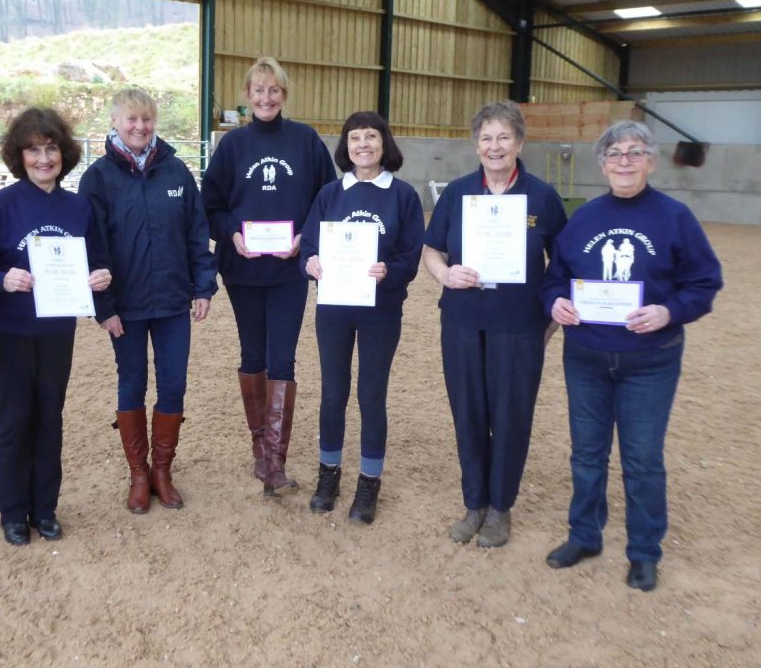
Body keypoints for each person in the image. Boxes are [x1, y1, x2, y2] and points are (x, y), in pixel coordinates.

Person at [541, 121, 722, 592]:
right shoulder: (582, 218)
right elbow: (556, 277)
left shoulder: (675, 217)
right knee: (587, 454)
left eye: (634, 152)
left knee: (642, 459)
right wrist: (554, 302)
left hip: (650, 359)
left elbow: (704, 283)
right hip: (586, 356)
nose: (624, 161)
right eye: (614, 154)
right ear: (601, 164)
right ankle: (585, 535)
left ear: (651, 160)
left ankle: (644, 550)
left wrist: (669, 311)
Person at [421, 101, 567, 548]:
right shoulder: (458, 193)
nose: (495, 146)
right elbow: (431, 250)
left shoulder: (542, 197)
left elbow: (561, 265)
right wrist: (446, 275)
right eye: (486, 138)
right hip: (463, 321)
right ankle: (474, 504)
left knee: (510, 416)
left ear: (520, 142)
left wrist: (547, 323)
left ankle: (501, 508)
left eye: (504, 137)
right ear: (476, 145)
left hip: (519, 327)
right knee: (468, 413)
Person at [0, 108, 112, 546]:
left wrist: (99, 278)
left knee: (50, 418)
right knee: (14, 421)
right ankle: (13, 512)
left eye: (51, 148)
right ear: (20, 155)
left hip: (55, 332)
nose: (43, 158)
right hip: (8, 333)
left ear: (63, 153)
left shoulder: (78, 208)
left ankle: (45, 507)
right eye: (33, 150)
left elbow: (98, 261)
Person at [201, 57, 336, 496]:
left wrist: (306, 239)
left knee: (284, 356)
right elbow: (211, 207)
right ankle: (260, 449)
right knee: (252, 353)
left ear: (284, 94)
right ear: (246, 96)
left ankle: (276, 461)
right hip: (243, 269)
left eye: (273, 90)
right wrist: (232, 234)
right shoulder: (232, 146)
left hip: (288, 272)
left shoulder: (306, 142)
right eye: (258, 90)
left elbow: (327, 201)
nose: (266, 97)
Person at [78, 89, 217, 513]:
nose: (140, 127)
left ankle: (162, 469)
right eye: (131, 120)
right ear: (115, 122)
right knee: (132, 381)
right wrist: (105, 307)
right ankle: (138, 473)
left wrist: (203, 285)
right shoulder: (98, 178)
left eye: (147, 120)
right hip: (127, 307)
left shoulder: (176, 172)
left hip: (174, 300)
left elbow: (197, 232)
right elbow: (91, 245)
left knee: (174, 383)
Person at [300, 112, 424, 523]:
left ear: (384, 143)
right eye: (355, 138)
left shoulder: (402, 196)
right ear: (346, 147)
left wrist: (391, 272)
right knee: (333, 392)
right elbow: (310, 247)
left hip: (381, 311)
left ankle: (369, 482)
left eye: (371, 137)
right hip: (334, 308)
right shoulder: (331, 194)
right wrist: (312, 262)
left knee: (372, 395)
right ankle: (328, 474)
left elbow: (410, 255)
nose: (363, 145)